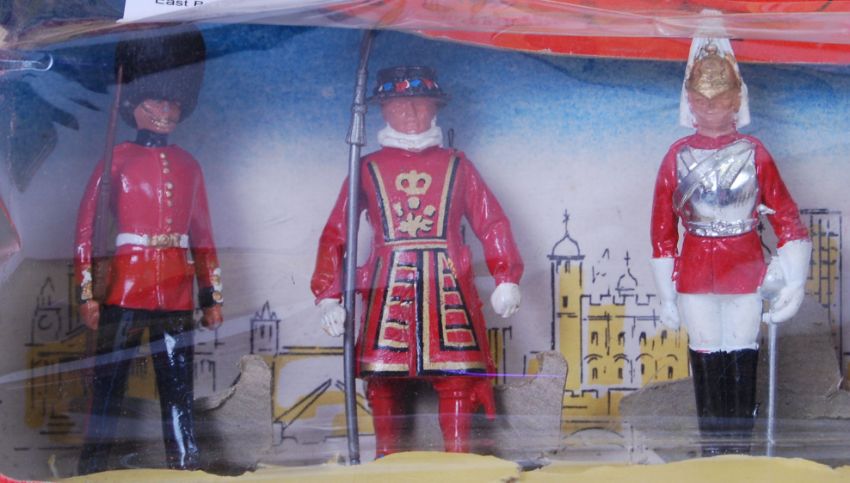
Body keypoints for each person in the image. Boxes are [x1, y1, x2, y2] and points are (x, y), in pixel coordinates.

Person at [311, 65, 523, 456]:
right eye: (399, 105)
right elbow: (337, 232)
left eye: (421, 104)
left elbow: (491, 220)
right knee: (382, 380)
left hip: (448, 287)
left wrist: (505, 276)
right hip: (385, 289)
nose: (411, 113)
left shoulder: (458, 164)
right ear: (383, 109)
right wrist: (328, 296)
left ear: (435, 108)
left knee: (457, 378)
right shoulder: (366, 167)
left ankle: (459, 464)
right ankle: (385, 461)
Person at [650, 38, 811, 455]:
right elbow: (662, 232)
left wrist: (794, 282)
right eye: (703, 101)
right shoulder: (675, 158)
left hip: (746, 270)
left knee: (742, 353)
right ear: (690, 101)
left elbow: (787, 217)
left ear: (736, 100)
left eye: (720, 100)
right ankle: (711, 447)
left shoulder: (756, 154)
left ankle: (740, 448)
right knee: (705, 353)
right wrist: (666, 294)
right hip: (694, 273)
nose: (711, 109)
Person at [75, 28, 221, 473]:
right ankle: (93, 467)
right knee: (109, 384)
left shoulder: (189, 165)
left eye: (174, 102)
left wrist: (211, 296)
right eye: (157, 101)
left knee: (178, 387)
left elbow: (204, 237)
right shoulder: (116, 158)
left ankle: (185, 463)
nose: (167, 110)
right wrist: (87, 292)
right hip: (124, 288)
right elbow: (86, 230)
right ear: (134, 104)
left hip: (176, 291)